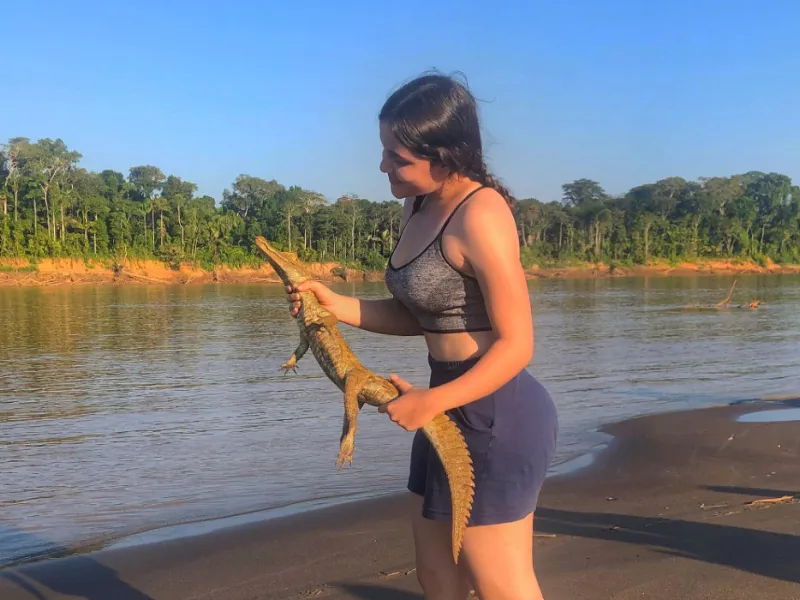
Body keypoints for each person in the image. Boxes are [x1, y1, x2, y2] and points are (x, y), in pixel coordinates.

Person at [284, 72, 559, 600]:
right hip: (442, 402)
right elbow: (421, 314)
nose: (383, 165)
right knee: (436, 574)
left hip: (494, 410)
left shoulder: (481, 214)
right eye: (384, 150)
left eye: (397, 156)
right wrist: (334, 305)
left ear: (446, 154)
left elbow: (517, 344)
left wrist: (434, 401)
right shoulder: (417, 203)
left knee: (499, 582)